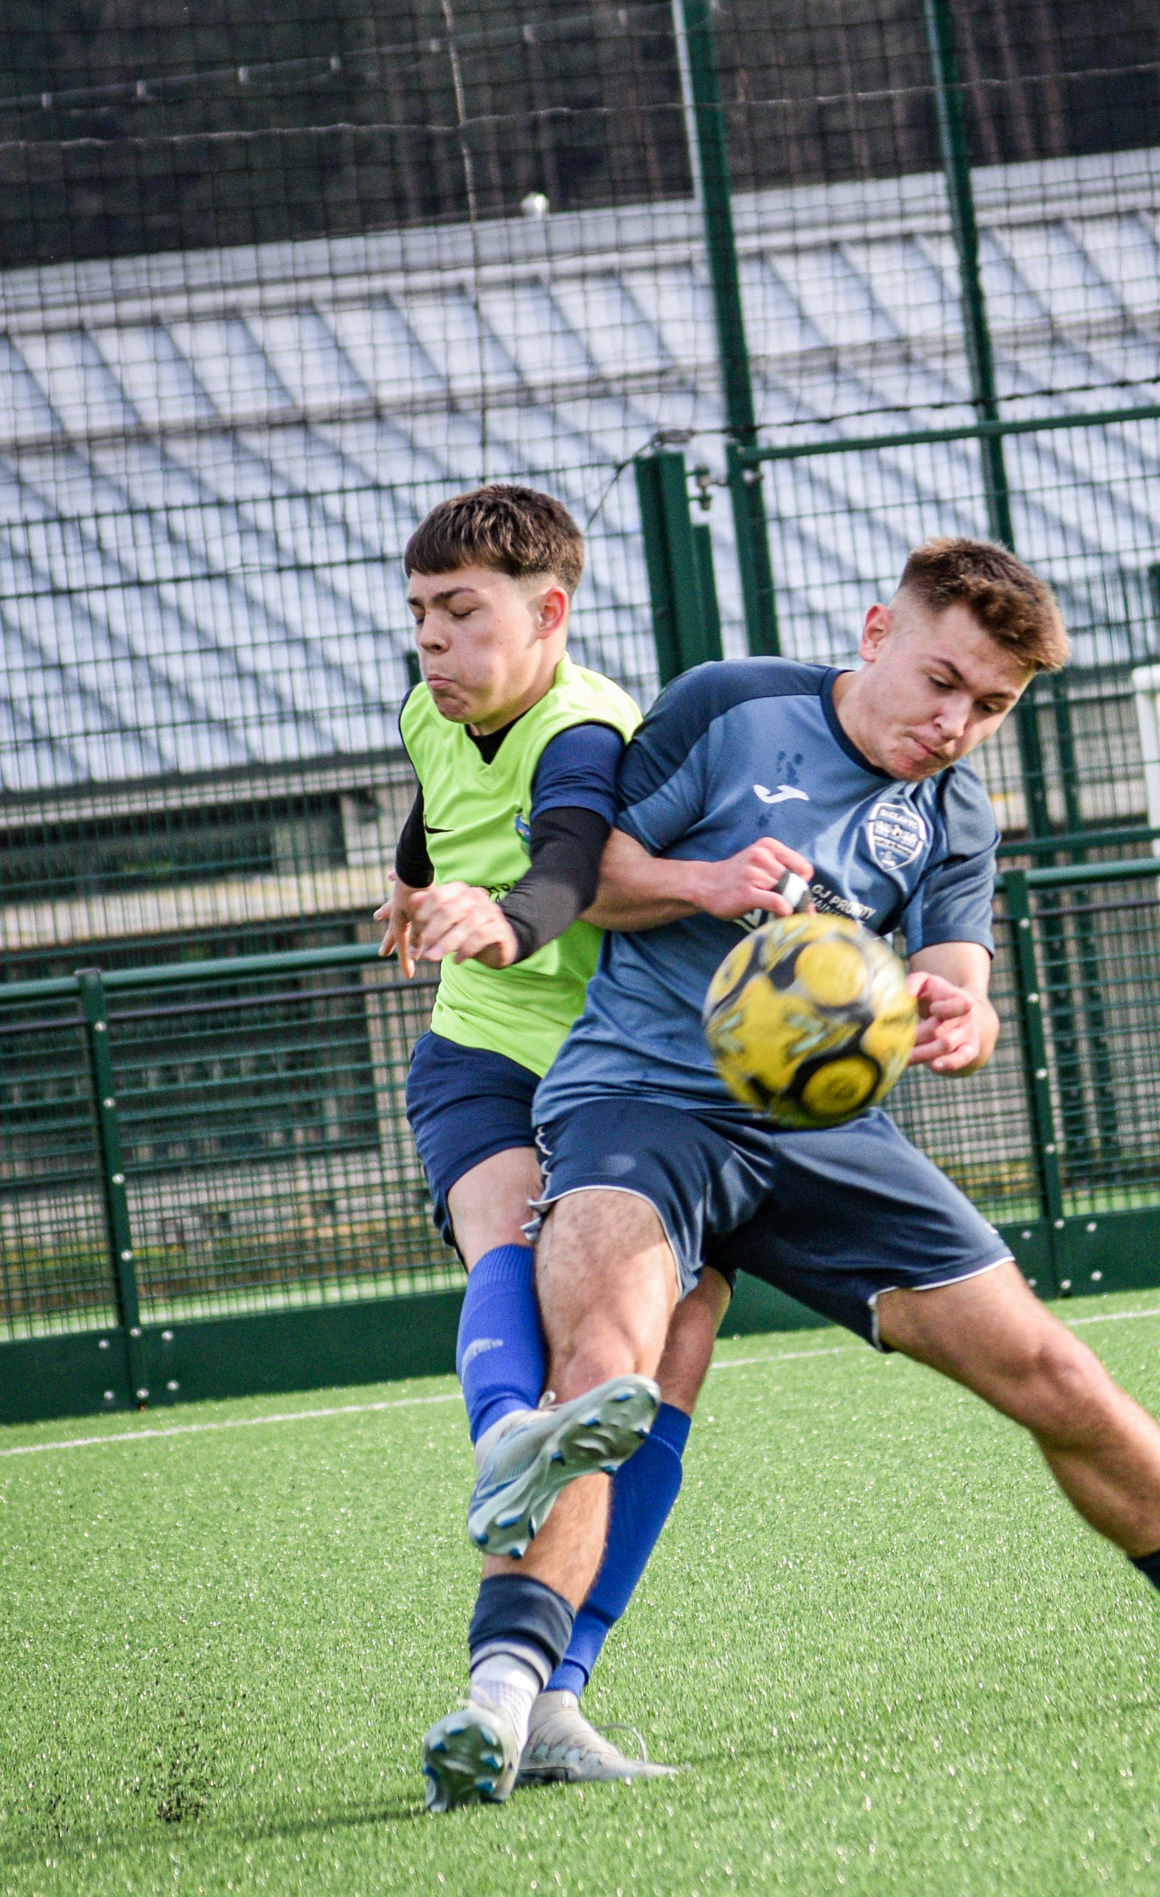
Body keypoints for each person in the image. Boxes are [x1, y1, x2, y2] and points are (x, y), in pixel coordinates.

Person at [469, 535, 1160, 1812]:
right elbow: (584, 875)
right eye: (941, 681)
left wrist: (958, 1021)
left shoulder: (954, 812)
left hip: (822, 1133)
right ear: (876, 628)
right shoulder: (729, 704)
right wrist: (706, 883)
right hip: (640, 1101)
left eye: (989, 706)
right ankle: (508, 1700)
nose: (955, 723)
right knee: (613, 1367)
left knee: (1049, 1368)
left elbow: (959, 978)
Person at [374, 483, 726, 1810]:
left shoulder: (588, 729)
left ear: (551, 613)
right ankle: (510, 1435)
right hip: (479, 1057)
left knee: (672, 1349)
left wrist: (511, 918)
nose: (432, 643)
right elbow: (436, 817)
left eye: (462, 615)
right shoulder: (431, 708)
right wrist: (416, 893)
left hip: (619, 1081)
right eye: (418, 616)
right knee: (507, 1227)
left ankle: (561, 1690)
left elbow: (569, 855)